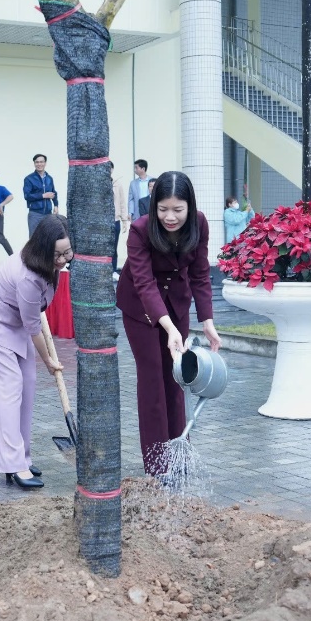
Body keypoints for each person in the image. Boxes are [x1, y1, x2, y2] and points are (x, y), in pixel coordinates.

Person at [117, 171, 221, 476]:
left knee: (178, 378)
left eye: (178, 209)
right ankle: (157, 463)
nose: (170, 217)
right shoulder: (139, 231)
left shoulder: (199, 223)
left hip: (176, 303)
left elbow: (201, 274)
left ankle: (179, 453)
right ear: (153, 207)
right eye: (163, 209)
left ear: (189, 206)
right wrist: (169, 328)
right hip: (141, 308)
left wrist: (208, 321)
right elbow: (144, 282)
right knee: (152, 381)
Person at [0, 215, 70, 489]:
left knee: (28, 382)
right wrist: (48, 359)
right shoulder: (28, 275)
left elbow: (33, 315)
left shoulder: (47, 263)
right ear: (43, 248)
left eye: (66, 253)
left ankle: (21, 457)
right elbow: (33, 326)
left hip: (16, 319)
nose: (62, 260)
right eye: (56, 254)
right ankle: (12, 465)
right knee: (9, 387)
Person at [23, 154, 57, 234]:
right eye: (37, 162)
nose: (39, 164)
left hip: (48, 214)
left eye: (41, 162)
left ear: (45, 163)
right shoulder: (29, 179)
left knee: (48, 239)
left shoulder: (49, 178)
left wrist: (56, 205)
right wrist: (43, 195)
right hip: (35, 214)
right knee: (34, 240)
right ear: (34, 164)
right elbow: (27, 196)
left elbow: (53, 192)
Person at [110, 161, 129, 272]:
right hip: (103, 221)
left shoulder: (117, 184)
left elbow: (122, 202)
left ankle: (113, 270)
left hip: (115, 220)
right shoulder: (99, 183)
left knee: (114, 247)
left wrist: (124, 220)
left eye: (110, 168)